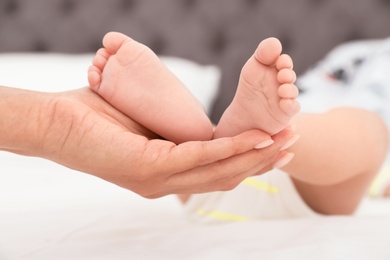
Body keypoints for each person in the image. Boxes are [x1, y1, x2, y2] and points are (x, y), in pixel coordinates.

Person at [88, 32, 388, 220]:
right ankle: (233, 133)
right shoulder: (354, 53)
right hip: (207, 174)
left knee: (370, 129)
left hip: (302, 180)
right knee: (364, 128)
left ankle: (201, 133)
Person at [0, 85, 295, 199]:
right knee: (336, 129)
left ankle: (198, 130)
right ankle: (244, 130)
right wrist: (52, 124)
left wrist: (52, 123)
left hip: (198, 190)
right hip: (216, 172)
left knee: (336, 127)